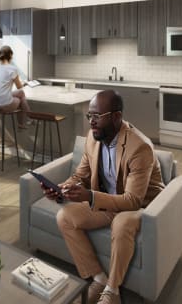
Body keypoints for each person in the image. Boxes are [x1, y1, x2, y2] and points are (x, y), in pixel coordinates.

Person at [41, 90, 165, 304]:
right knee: (65, 217)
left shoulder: (139, 147)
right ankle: (98, 277)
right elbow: (81, 175)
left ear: (116, 116)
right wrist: (63, 189)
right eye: (90, 116)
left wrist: (89, 196)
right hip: (108, 200)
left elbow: (133, 200)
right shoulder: (93, 137)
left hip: (142, 206)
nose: (91, 122)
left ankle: (112, 291)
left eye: (97, 116)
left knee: (121, 223)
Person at [0, 45, 32, 128]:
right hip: (5, 105)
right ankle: (27, 120)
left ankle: (25, 121)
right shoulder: (12, 69)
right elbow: (19, 86)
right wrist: (24, 83)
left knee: (20, 93)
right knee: (20, 98)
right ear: (10, 55)